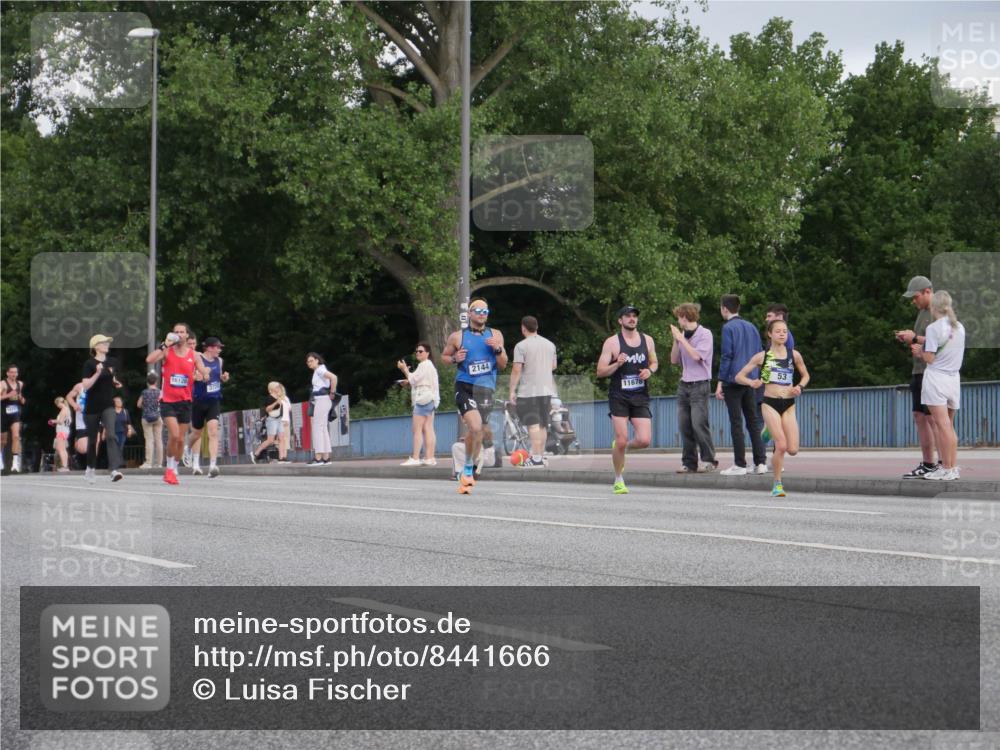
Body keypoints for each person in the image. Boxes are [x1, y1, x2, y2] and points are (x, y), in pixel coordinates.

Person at [735, 319, 810, 497]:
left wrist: (799, 387)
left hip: (789, 404)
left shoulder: (795, 355)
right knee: (781, 446)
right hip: (770, 403)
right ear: (770, 334)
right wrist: (751, 382)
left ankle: (767, 429)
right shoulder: (762, 356)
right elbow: (739, 376)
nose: (782, 334)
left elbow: (806, 376)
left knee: (793, 449)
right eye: (778, 331)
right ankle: (777, 484)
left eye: (785, 331)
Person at [442, 298, 508, 494]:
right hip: (465, 387)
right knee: (476, 426)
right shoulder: (457, 337)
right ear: (469, 314)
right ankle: (468, 471)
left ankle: (468, 465)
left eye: (485, 311)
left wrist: (498, 349)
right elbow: (444, 357)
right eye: (478, 310)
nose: (482, 314)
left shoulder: (495, 335)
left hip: (485, 389)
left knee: (478, 432)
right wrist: (455, 358)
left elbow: (503, 364)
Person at [596, 305, 658, 495]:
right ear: (620, 320)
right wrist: (617, 364)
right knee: (621, 438)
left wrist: (650, 370)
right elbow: (600, 372)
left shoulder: (647, 340)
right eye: (628, 316)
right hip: (619, 396)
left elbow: (654, 362)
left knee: (645, 440)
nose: (632, 319)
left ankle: (620, 449)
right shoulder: (612, 343)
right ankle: (618, 479)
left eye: (634, 316)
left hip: (640, 395)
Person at [145, 323, 209, 485]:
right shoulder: (167, 351)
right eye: (176, 332)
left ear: (187, 336)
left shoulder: (194, 355)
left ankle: (173, 468)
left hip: (185, 401)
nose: (179, 334)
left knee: (180, 439)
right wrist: (164, 344)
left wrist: (205, 374)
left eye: (182, 332)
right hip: (167, 401)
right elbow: (149, 359)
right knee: (174, 435)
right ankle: (169, 470)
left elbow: (203, 369)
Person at [911, 290, 965, 481]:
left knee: (941, 425)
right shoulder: (959, 327)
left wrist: (919, 352)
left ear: (934, 307)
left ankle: (947, 468)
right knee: (949, 426)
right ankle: (952, 467)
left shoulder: (934, 328)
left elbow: (930, 358)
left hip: (937, 379)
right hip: (953, 379)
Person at [716, 294, 766, 476]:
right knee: (753, 422)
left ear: (724, 308)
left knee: (736, 422)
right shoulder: (752, 327)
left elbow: (727, 355)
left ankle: (740, 464)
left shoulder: (728, 328)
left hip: (733, 380)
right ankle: (760, 462)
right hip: (751, 380)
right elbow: (761, 354)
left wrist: (720, 381)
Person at [895, 275, 940, 478]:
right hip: (918, 369)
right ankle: (928, 463)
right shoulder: (922, 312)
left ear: (927, 292)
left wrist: (914, 337)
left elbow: (943, 340)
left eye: (916, 297)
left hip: (933, 371)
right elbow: (924, 339)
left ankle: (943, 462)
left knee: (933, 418)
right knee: (919, 416)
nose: (913, 301)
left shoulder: (939, 311)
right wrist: (910, 338)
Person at [669, 303, 716, 473]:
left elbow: (697, 356)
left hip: (700, 384)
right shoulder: (682, 336)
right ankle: (689, 462)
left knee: (699, 423)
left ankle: (708, 459)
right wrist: (676, 341)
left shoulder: (705, 334)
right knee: (684, 425)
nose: (678, 321)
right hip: (684, 385)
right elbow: (674, 360)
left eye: (679, 317)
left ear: (684, 317)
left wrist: (682, 340)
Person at [509, 316, 558, 468]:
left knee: (533, 424)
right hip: (546, 390)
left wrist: (512, 390)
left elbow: (517, 369)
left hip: (529, 391)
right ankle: (540, 456)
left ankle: (535, 458)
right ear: (536, 327)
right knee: (543, 425)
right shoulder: (550, 345)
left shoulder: (521, 346)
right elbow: (553, 366)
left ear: (523, 328)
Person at [81, 335, 125, 483]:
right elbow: (86, 386)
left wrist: (115, 382)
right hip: (92, 408)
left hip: (108, 405)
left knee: (111, 435)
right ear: (96, 346)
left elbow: (111, 378)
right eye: (103, 342)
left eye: (107, 342)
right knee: (93, 441)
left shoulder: (113, 362)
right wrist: (97, 373)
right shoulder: (89, 364)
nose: (107, 344)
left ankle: (113, 470)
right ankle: (90, 468)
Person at [186, 336, 229, 477]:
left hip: (213, 400)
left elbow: (218, 376)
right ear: (210, 348)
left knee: (213, 432)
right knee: (196, 433)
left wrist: (223, 378)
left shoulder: (219, 361)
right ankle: (187, 448)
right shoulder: (198, 358)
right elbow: (190, 376)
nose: (220, 350)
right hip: (199, 401)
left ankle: (212, 465)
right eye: (218, 347)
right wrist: (197, 377)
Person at [398, 341, 440, 466]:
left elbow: (414, 379)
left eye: (421, 351)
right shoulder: (429, 365)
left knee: (416, 429)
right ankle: (430, 457)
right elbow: (416, 380)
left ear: (427, 353)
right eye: (416, 351)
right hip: (430, 399)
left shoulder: (424, 365)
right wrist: (408, 379)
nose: (418, 353)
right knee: (428, 428)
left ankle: (415, 457)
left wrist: (404, 369)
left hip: (423, 399)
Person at [759, 303, 795, 446]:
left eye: (769, 316)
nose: (766, 319)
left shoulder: (785, 339)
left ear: (779, 317)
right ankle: (778, 453)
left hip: (783, 389)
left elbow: (785, 362)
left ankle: (778, 451)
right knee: (778, 430)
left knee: (781, 428)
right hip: (773, 387)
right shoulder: (774, 339)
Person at [306, 352, 337, 465]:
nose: (309, 363)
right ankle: (326, 457)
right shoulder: (319, 369)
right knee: (323, 428)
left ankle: (318, 457)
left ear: (317, 360)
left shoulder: (319, 370)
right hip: (323, 400)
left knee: (317, 429)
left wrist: (332, 392)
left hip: (321, 399)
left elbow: (334, 377)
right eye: (308, 362)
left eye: (311, 360)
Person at [251, 382, 287, 462]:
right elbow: (267, 409)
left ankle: (282, 458)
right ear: (272, 388)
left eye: (278, 386)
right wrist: (276, 403)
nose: (278, 387)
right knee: (270, 440)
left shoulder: (279, 396)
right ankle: (256, 453)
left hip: (278, 419)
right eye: (277, 386)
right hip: (271, 420)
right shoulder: (270, 398)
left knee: (282, 438)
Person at [1, 364, 26, 473]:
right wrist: (8, 395)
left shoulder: (20, 384)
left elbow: (23, 401)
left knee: (16, 436)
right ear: (7, 373)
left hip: (15, 413)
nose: (13, 374)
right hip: (3, 414)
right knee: (3, 441)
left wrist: (21, 398)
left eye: (15, 372)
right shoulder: (3, 384)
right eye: (11, 372)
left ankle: (15, 463)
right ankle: (0, 461)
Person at [137, 372, 163, 469]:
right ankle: (159, 463)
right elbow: (163, 403)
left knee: (149, 440)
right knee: (159, 440)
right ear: (156, 381)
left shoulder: (144, 392)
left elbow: (139, 404)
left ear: (147, 382)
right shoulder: (160, 392)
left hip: (146, 417)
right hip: (157, 417)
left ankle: (148, 463)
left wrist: (145, 405)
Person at [66, 381, 89, 467]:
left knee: (94, 444)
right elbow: (68, 397)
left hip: (96, 420)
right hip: (82, 422)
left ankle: (92, 466)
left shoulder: (99, 385)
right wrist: (74, 405)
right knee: (83, 449)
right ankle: (77, 443)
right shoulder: (80, 386)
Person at [50, 396, 72, 472]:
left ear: (59, 403)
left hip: (61, 431)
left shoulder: (64, 410)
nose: (57, 406)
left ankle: (64, 466)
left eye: (57, 404)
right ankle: (65, 466)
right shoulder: (67, 410)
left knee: (60, 449)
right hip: (65, 431)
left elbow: (61, 421)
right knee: (63, 449)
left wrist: (53, 421)